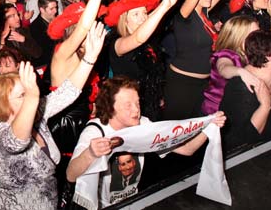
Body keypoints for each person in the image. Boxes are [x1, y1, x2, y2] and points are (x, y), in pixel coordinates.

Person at [0, 22, 106, 209]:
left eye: (27, 92)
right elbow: (17, 140)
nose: (28, 96)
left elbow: (67, 92)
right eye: (21, 95)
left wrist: (89, 58)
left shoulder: (36, 116)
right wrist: (33, 96)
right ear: (4, 104)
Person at [67, 76, 226, 209]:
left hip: (132, 202)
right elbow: (70, 175)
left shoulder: (143, 124)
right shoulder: (95, 131)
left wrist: (210, 126)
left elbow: (187, 149)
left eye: (137, 103)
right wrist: (90, 153)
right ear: (110, 108)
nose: (136, 110)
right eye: (128, 105)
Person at [219, 30, 271, 152]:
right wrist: (265, 106)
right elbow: (245, 140)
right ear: (270, 56)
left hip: (269, 151)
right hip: (241, 162)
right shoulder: (241, 88)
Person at [201, 15, 262, 115]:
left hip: (235, 109)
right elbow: (223, 68)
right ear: (238, 36)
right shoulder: (227, 54)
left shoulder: (249, 54)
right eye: (254, 34)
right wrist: (241, 71)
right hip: (215, 113)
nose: (258, 37)